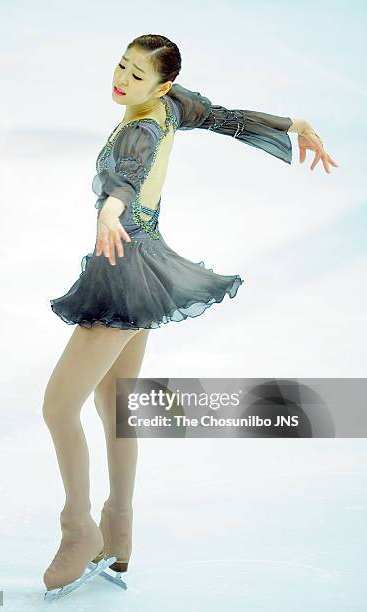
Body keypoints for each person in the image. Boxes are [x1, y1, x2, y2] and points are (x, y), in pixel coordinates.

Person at [42, 34, 338, 599]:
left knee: (59, 405)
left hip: (122, 268)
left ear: (164, 85)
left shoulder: (143, 127)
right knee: (114, 403)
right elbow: (226, 118)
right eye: (121, 65)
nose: (122, 79)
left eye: (137, 74)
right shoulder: (175, 108)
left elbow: (125, 177)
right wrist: (295, 123)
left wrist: (110, 210)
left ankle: (78, 530)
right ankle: (120, 534)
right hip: (145, 261)